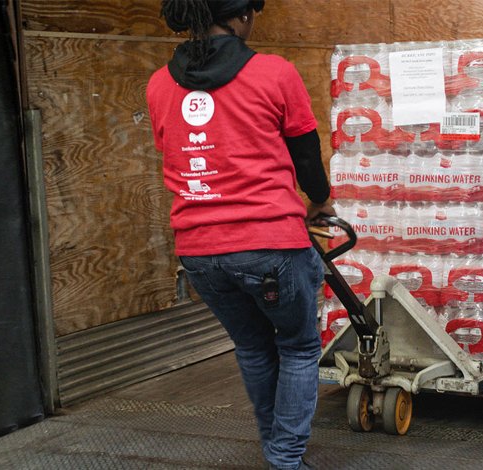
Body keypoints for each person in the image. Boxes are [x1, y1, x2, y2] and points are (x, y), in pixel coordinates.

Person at [147, 1, 335, 469]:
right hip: (270, 241)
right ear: (240, 16)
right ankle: (285, 459)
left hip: (199, 251)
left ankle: (276, 449)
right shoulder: (273, 73)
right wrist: (319, 199)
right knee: (298, 347)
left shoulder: (158, 84)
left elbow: (172, 149)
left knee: (253, 346)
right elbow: (306, 153)